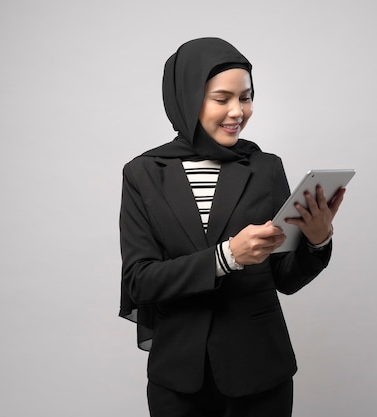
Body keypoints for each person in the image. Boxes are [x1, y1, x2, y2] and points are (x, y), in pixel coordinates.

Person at [119, 37, 346, 417]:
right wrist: (226, 257)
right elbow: (140, 281)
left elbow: (285, 278)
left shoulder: (265, 168)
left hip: (260, 371)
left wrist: (317, 239)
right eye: (222, 98)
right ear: (188, 98)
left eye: (246, 97)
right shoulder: (143, 174)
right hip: (178, 377)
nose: (238, 111)